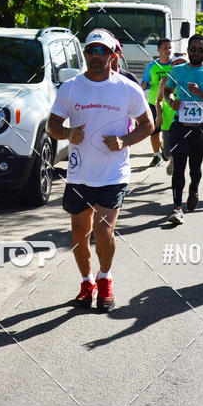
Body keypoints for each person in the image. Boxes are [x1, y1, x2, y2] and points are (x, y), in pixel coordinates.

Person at [46, 29, 153, 310]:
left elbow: (147, 125)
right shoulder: (70, 87)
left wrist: (125, 141)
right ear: (85, 54)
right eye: (91, 50)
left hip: (113, 173)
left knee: (104, 230)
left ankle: (105, 278)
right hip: (79, 173)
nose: (96, 56)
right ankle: (86, 282)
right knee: (80, 232)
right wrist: (68, 133)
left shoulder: (127, 88)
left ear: (113, 55)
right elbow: (52, 126)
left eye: (102, 51)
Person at [163, 34, 203, 224]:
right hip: (179, 126)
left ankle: (194, 189)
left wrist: (199, 93)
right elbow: (167, 90)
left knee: (195, 168)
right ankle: (176, 208)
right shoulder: (178, 70)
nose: (196, 53)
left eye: (200, 49)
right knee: (179, 166)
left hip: (200, 128)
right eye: (192, 49)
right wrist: (171, 101)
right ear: (188, 50)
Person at [141, 38, 173, 166]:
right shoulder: (152, 66)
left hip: (170, 104)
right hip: (154, 102)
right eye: (165, 48)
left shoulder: (175, 65)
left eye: (170, 48)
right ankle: (156, 156)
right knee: (154, 131)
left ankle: (165, 149)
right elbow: (145, 82)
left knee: (169, 131)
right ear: (158, 50)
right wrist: (138, 90)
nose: (168, 50)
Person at [155, 50, 188, 175]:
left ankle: (177, 171)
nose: (179, 66)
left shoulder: (191, 82)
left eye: (182, 63)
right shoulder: (165, 81)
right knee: (168, 153)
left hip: (184, 122)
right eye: (176, 63)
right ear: (172, 66)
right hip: (167, 122)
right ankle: (172, 160)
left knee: (181, 152)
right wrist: (158, 115)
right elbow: (158, 101)